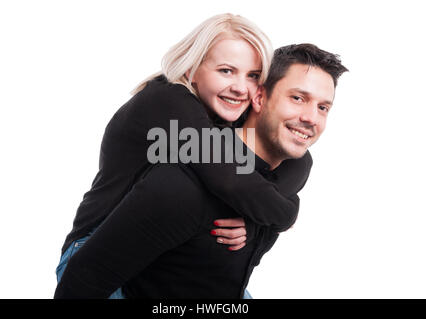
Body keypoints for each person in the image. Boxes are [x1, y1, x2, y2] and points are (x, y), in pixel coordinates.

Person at [54, 43, 348, 299]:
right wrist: (286, 214)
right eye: (297, 98)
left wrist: (262, 220)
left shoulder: (291, 167)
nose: (311, 117)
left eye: (323, 107)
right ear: (259, 98)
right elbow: (82, 281)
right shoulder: (182, 150)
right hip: (93, 248)